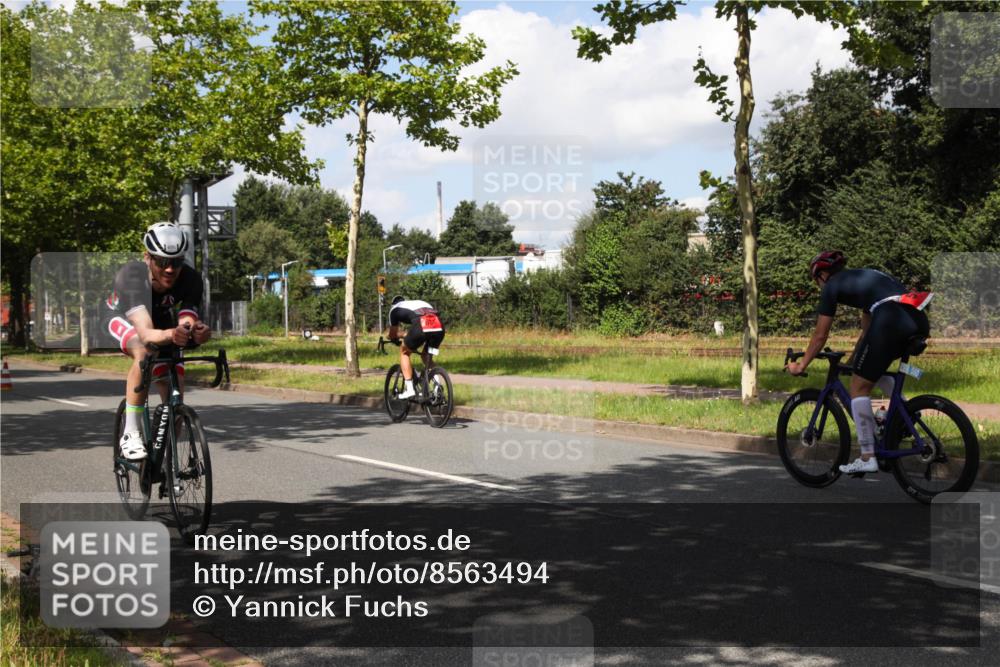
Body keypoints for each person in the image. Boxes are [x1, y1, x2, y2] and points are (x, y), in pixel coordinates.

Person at [785, 251, 931, 474]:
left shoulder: (832, 286)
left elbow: (820, 336)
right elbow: (867, 334)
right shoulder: (864, 280)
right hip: (916, 318)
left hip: (890, 319)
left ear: (823, 274)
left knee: (857, 388)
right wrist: (855, 360)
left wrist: (801, 365)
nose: (819, 285)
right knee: (869, 371)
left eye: (816, 280)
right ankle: (904, 416)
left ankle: (867, 456)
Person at [104, 222, 212, 461]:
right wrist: (172, 334)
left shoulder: (192, 279)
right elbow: (145, 332)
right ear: (147, 257)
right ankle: (131, 432)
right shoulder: (131, 276)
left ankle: (166, 460)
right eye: (162, 262)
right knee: (144, 351)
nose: (170, 269)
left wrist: (197, 332)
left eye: (177, 262)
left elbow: (186, 319)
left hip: (160, 320)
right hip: (123, 319)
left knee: (175, 385)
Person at [386, 295, 445, 400]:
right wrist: (407, 335)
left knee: (404, 352)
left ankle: (409, 389)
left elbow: (393, 334)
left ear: (393, 304)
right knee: (426, 356)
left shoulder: (394, 310)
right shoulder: (418, 303)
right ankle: (437, 387)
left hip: (421, 325)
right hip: (439, 327)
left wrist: (394, 337)